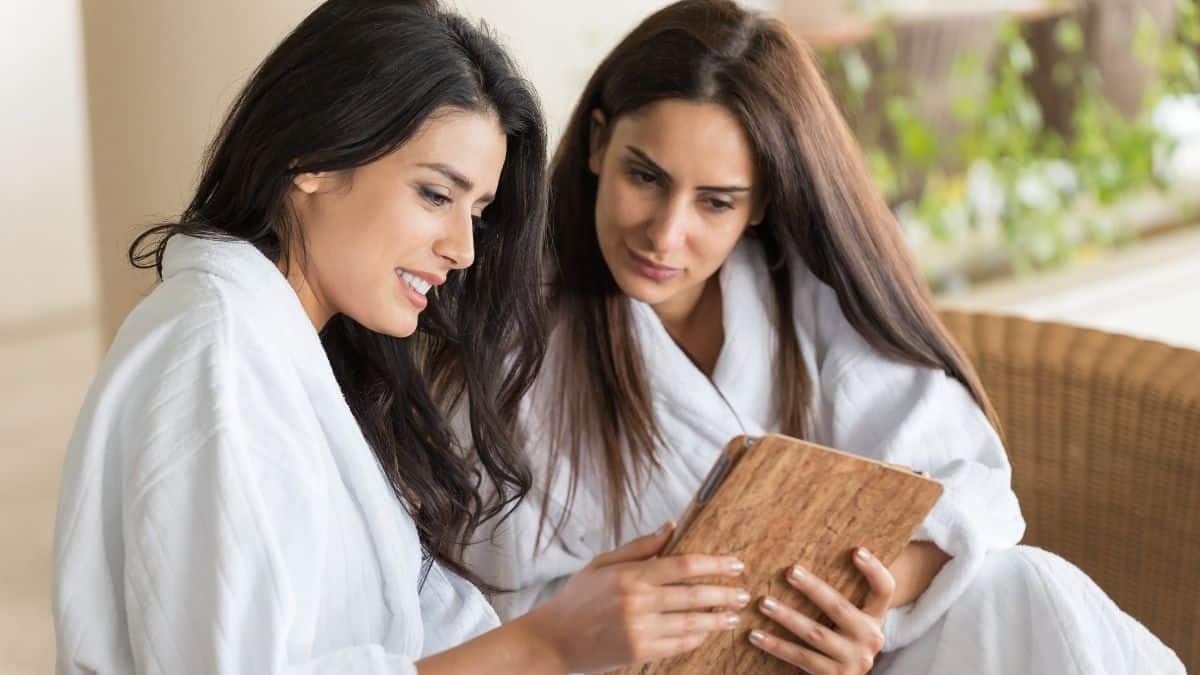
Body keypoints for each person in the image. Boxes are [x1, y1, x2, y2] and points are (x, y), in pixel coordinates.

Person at [462, 1, 1185, 673]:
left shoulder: (805, 299)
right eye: (645, 177)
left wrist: (863, 601)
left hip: (854, 655)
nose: (666, 231)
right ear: (597, 144)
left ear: (762, 200)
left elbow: (975, 495)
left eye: (716, 201)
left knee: (1026, 586)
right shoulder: (519, 339)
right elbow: (493, 600)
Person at [52, 2, 751, 673]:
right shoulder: (216, 359)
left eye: (477, 211)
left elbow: (413, 640)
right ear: (315, 157)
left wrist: (582, 624)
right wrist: (547, 645)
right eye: (435, 194)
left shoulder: (291, 357)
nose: (463, 248)